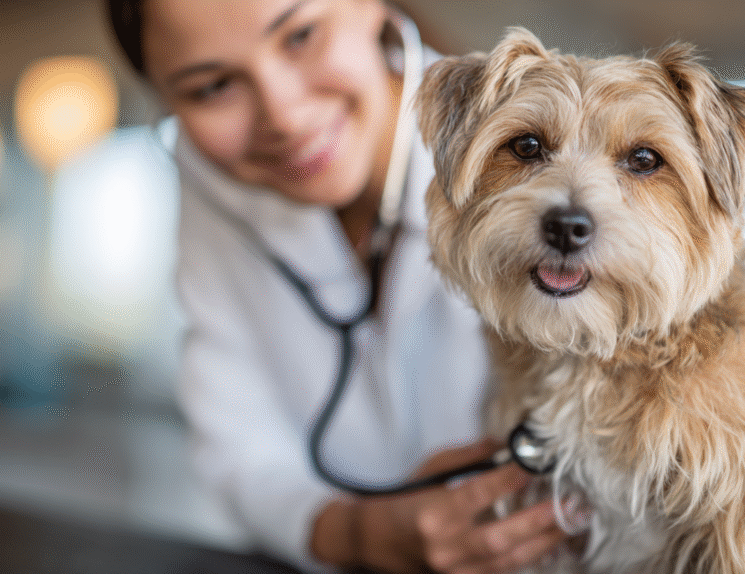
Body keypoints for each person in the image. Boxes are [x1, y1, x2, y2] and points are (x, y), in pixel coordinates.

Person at [106, 1, 569, 572]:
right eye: (213, 86)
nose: (284, 116)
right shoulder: (215, 185)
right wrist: (363, 534)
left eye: (301, 35)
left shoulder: (542, 156)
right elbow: (238, 453)